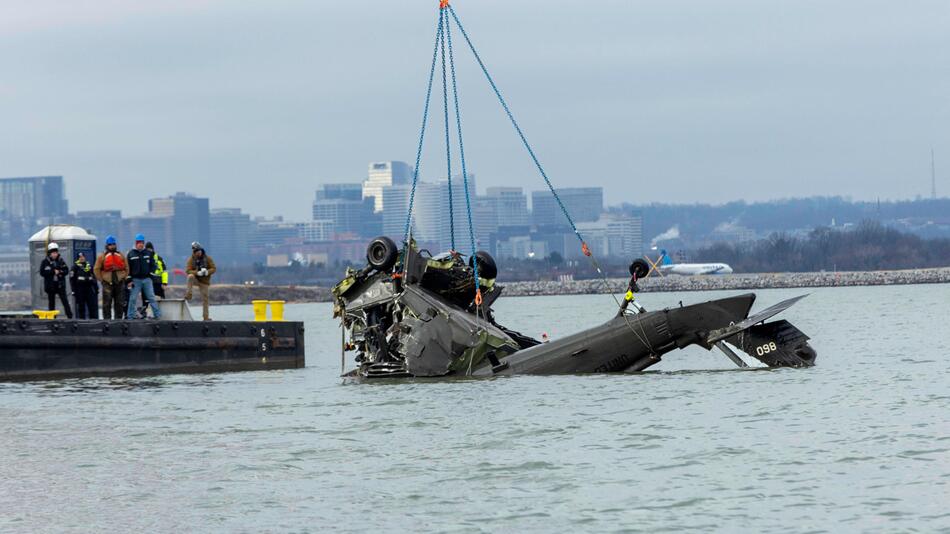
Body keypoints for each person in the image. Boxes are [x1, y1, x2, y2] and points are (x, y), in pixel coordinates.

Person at [125, 234, 161, 320]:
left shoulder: (148, 253)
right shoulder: (131, 254)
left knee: (151, 298)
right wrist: (129, 279)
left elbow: (154, 265)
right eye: (139, 242)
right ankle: (130, 316)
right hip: (135, 280)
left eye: (142, 242)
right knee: (133, 298)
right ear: (136, 243)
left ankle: (157, 315)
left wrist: (151, 274)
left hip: (147, 279)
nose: (140, 244)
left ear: (143, 243)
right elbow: (128, 268)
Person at [93, 235, 128, 319]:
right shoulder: (102, 256)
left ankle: (118, 320)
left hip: (119, 282)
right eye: (110, 244)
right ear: (107, 245)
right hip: (107, 283)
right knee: (106, 303)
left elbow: (126, 267)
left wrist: (124, 277)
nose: (112, 246)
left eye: (113, 244)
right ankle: (107, 321)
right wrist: (102, 280)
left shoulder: (121, 255)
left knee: (119, 303)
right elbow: (96, 269)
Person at [39, 242, 73, 318]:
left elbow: (66, 270)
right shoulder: (45, 262)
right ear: (50, 253)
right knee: (51, 302)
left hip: (60, 285)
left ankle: (70, 317)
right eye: (53, 253)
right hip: (50, 286)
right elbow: (42, 272)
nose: (55, 254)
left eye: (56, 252)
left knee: (65, 301)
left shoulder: (61, 261)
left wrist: (60, 272)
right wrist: (52, 271)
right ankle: (52, 318)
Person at [185, 242, 216, 321]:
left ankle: (206, 317)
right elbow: (188, 271)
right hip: (195, 279)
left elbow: (214, 268)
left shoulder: (208, 258)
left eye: (199, 251)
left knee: (205, 299)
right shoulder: (191, 260)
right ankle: (189, 294)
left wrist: (207, 272)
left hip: (204, 282)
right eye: (197, 252)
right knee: (190, 276)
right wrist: (196, 272)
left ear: (201, 251)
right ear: (194, 253)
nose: (199, 253)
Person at [69, 252, 99, 319]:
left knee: (92, 306)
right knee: (81, 307)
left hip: (89, 288)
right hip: (80, 289)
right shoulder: (75, 267)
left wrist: (96, 288)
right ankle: (82, 322)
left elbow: (94, 278)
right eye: (80, 257)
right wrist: (73, 290)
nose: (82, 258)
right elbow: (72, 280)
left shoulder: (89, 266)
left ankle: (93, 321)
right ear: (78, 258)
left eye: (82, 257)